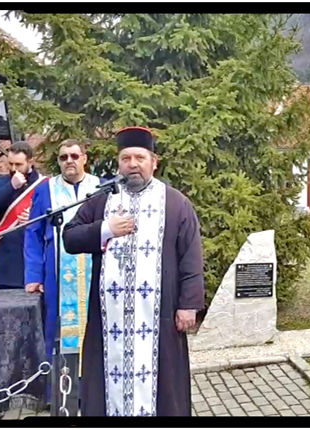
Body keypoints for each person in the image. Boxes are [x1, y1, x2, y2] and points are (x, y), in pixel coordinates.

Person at [62, 126, 206, 416]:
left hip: (158, 315)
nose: (133, 164)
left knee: (164, 392)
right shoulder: (101, 200)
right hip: (109, 318)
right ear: (119, 163)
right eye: (126, 158)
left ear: (154, 162)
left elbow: (191, 256)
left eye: (140, 157)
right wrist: (105, 229)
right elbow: (70, 237)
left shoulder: (176, 203)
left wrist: (189, 305)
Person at [24, 139, 101, 413]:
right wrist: (33, 275)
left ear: (84, 158)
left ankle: (94, 392)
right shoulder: (46, 190)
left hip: (96, 271)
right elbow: (32, 233)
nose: (69, 161)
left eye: (74, 156)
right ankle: (59, 395)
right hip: (58, 274)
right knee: (57, 332)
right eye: (63, 157)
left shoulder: (100, 187)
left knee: (96, 331)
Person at [0, 141, 46, 290]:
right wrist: (11, 186)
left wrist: (33, 218)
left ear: (30, 162)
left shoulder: (45, 185)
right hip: (6, 264)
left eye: (18, 164)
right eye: (10, 164)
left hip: (35, 261)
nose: (13, 169)